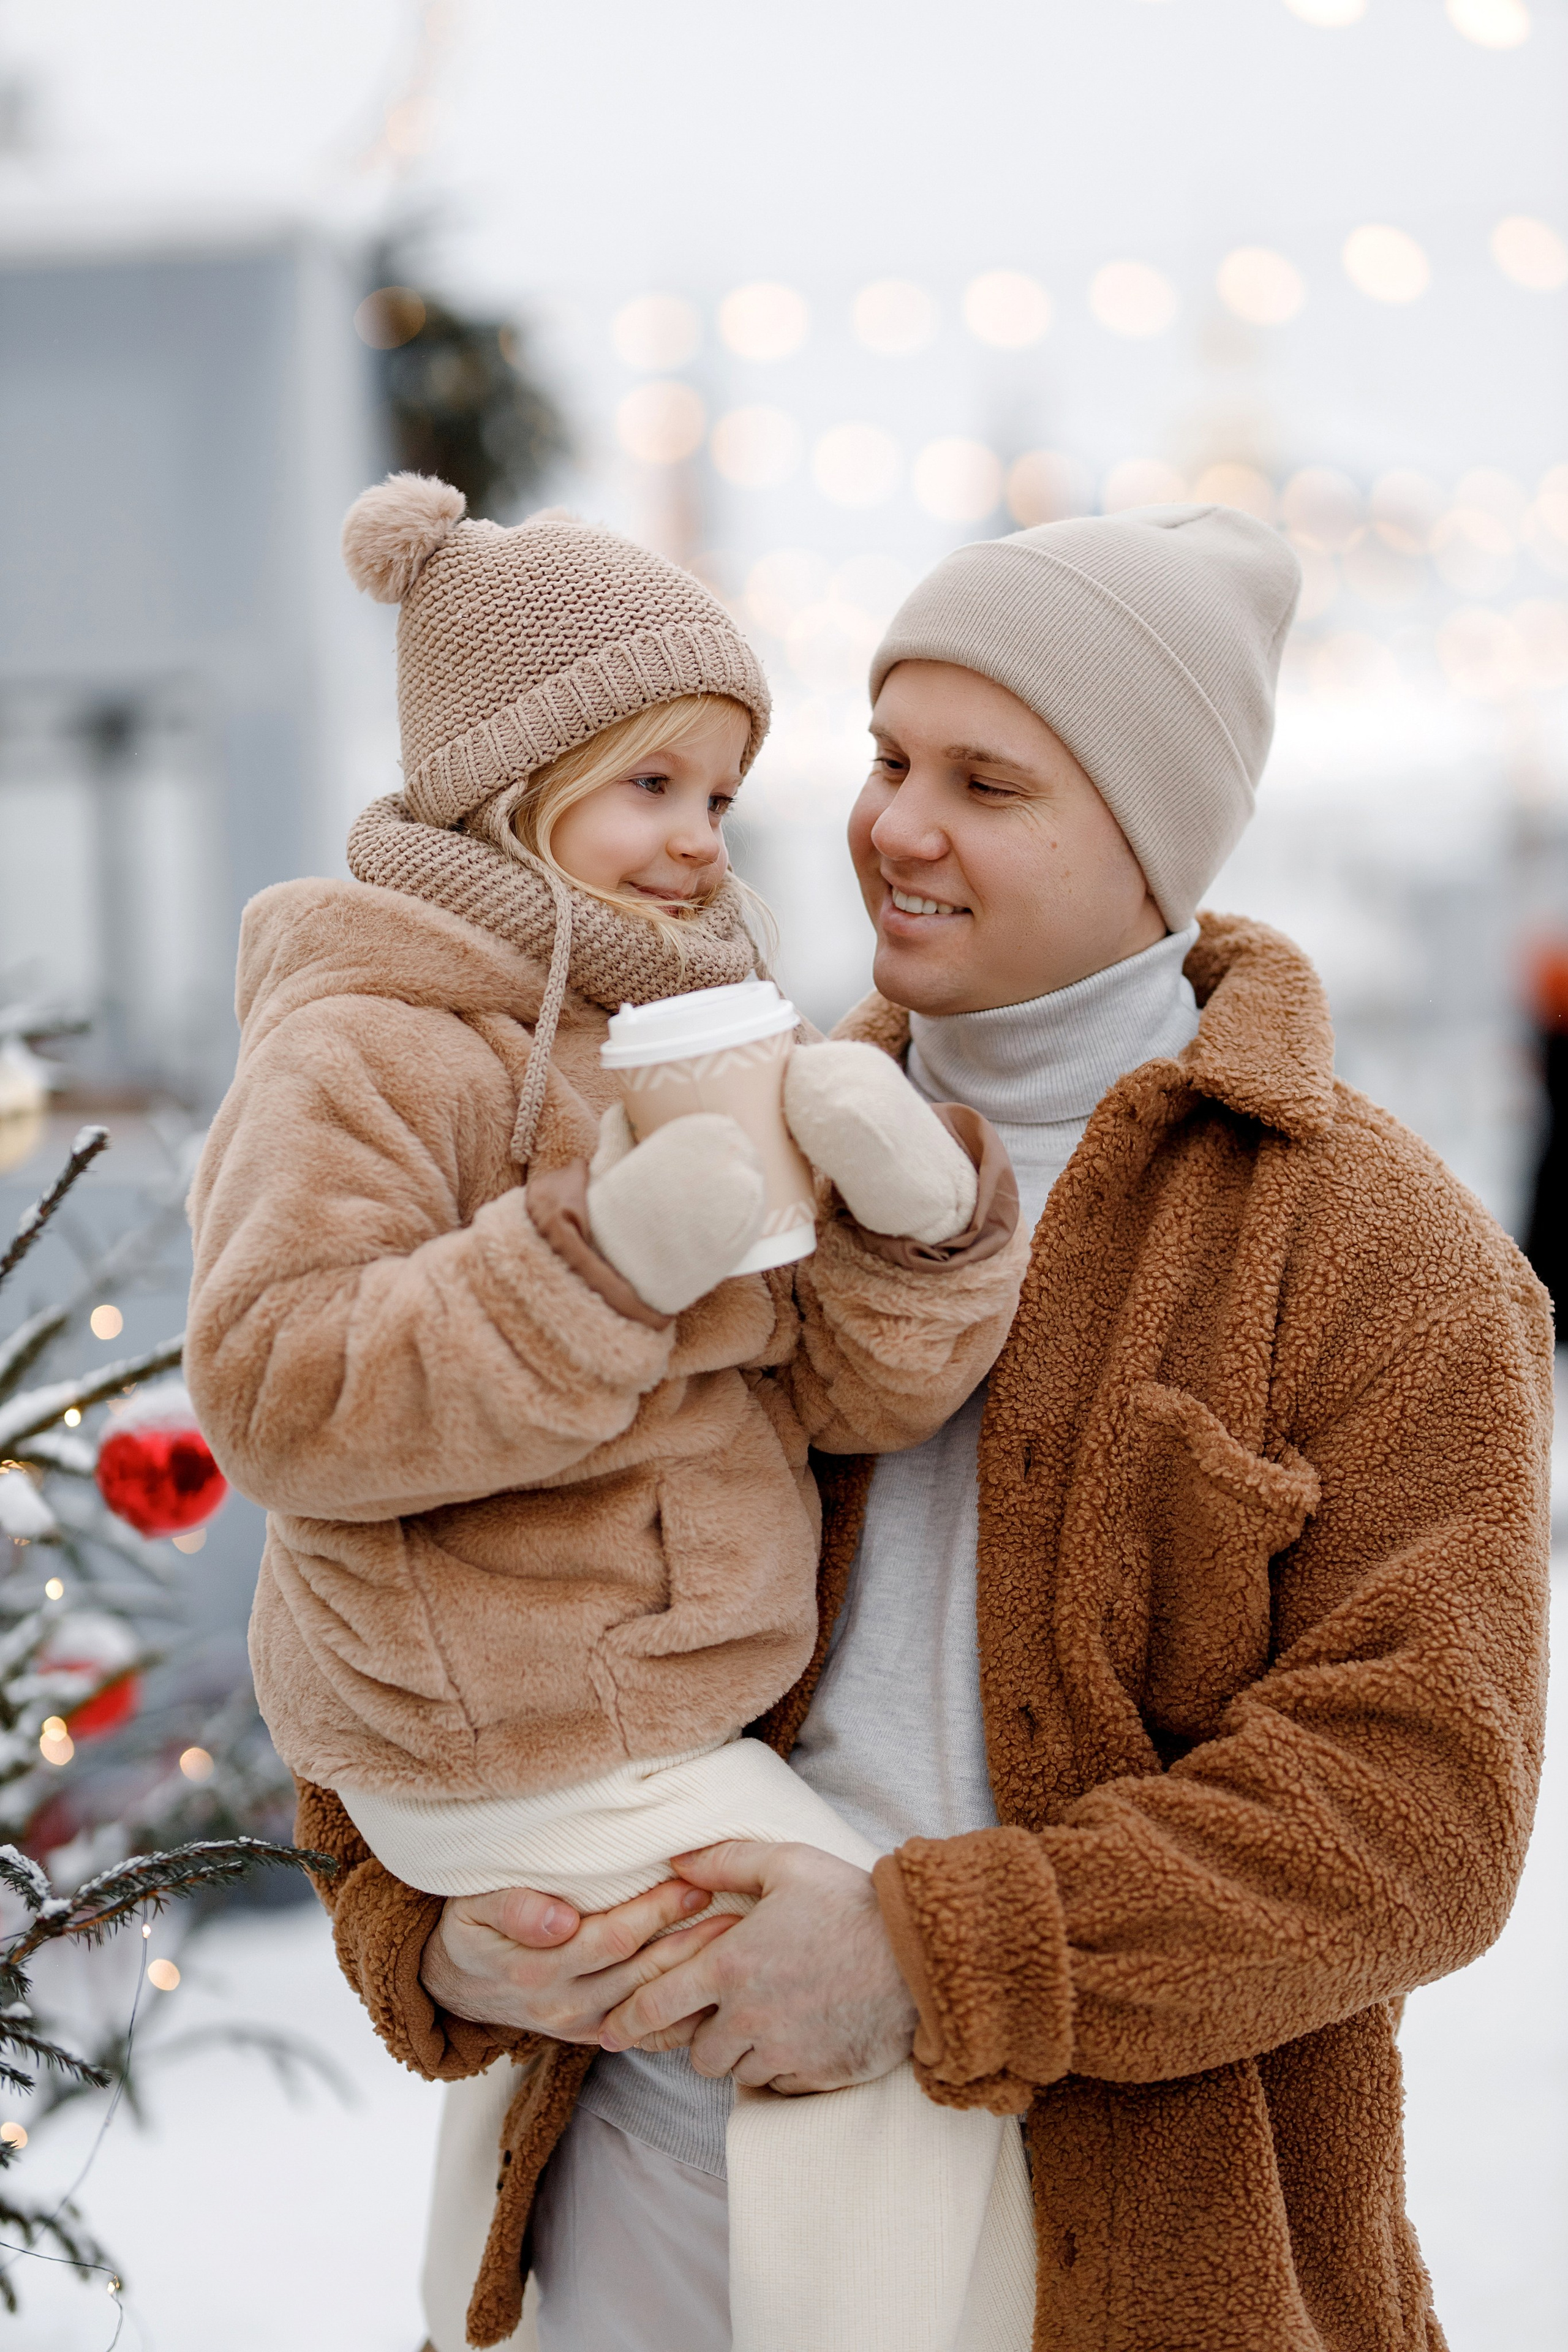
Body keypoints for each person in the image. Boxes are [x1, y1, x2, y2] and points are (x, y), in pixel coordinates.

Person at [291, 504, 1553, 2352]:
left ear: (1154, 842)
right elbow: (416, 1543)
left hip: (1106, 2246)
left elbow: (1417, 1810)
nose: (894, 824)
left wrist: (925, 1956)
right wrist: (419, 1927)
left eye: (988, 780)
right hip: (631, 2178)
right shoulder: (697, 1119)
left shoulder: (1380, 1253)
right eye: (889, 757)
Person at [184, 478, 1036, 2352]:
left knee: (755, 2009)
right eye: (650, 787)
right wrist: (591, 1267)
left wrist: (913, 1231)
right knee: (877, 2019)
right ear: (512, 779)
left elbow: (828, 1397)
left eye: (720, 800)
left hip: (644, 1705)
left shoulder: (682, 1030)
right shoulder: (366, 1041)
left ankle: (516, 2310)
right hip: (516, 1718)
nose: (697, 848)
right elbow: (281, 1386)